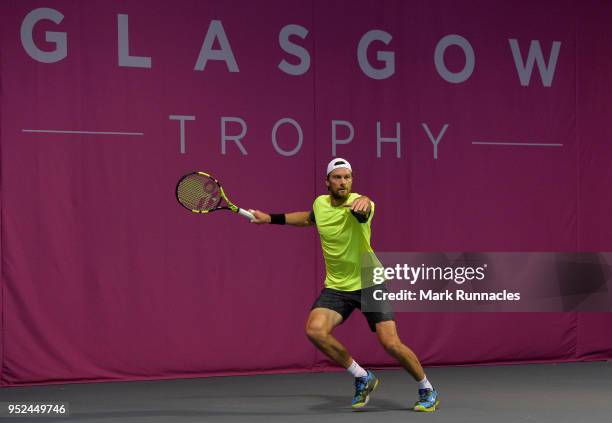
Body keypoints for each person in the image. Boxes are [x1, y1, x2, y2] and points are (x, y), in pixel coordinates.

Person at [249, 158, 439, 412]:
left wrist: (364, 203)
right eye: (337, 177)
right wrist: (269, 218)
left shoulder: (361, 204)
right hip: (338, 286)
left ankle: (427, 388)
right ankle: (362, 376)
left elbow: (364, 209)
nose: (343, 182)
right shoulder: (320, 203)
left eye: (347, 177)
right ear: (327, 181)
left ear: (352, 180)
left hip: (369, 281)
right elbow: (308, 219)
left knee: (390, 343)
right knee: (315, 330)